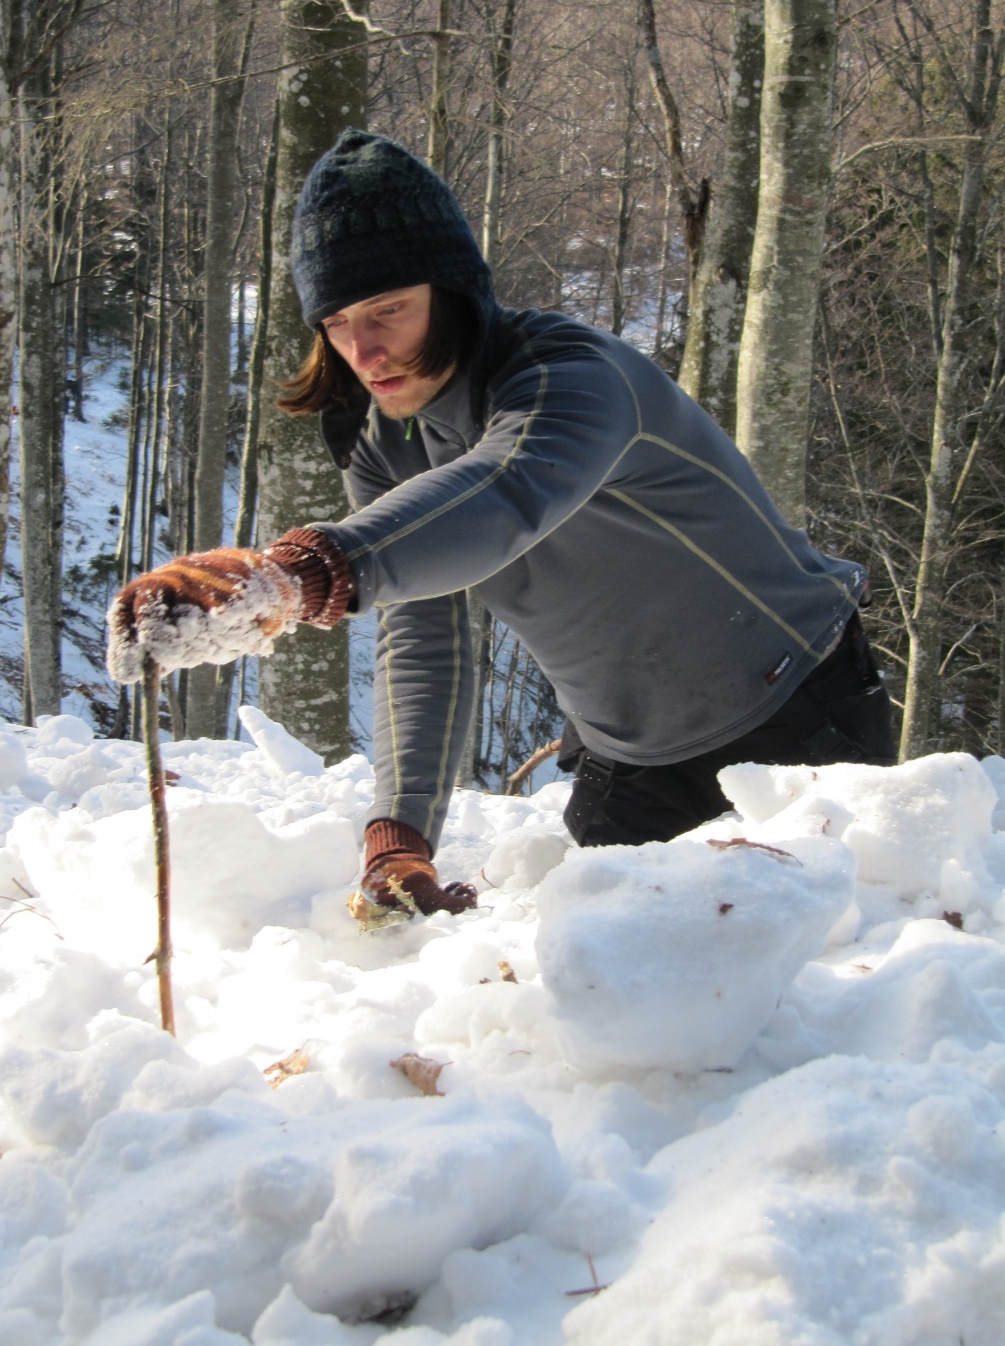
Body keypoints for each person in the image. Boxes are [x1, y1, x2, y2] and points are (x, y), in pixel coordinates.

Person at [107, 129, 895, 924]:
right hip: (629, 760)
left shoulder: (571, 377)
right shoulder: (384, 440)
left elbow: (506, 491)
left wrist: (298, 573)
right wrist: (400, 832)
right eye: (338, 322)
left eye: (388, 309)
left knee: (828, 992)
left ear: (453, 293)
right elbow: (422, 628)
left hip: (796, 716)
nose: (364, 348)